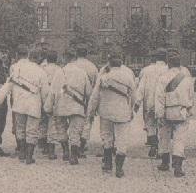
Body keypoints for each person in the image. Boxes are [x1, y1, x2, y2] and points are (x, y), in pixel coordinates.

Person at [0, 46, 50, 164]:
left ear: (29, 56)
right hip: (34, 104)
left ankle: (22, 153)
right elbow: (45, 92)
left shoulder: (17, 68)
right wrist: (47, 106)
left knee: (20, 129)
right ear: (39, 58)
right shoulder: (41, 71)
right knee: (32, 130)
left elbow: (8, 85)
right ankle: (29, 156)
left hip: (19, 104)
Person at [87, 49, 137, 177]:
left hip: (105, 112)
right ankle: (119, 168)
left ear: (109, 63)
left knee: (107, 138)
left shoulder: (103, 77)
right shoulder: (128, 76)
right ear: (121, 63)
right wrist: (131, 110)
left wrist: (91, 111)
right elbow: (133, 96)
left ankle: (108, 164)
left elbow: (95, 97)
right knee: (122, 139)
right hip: (122, 112)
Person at [153, 48, 195, 177]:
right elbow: (191, 95)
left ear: (168, 63)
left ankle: (165, 162)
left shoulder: (163, 78)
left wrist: (159, 115)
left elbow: (159, 98)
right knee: (179, 139)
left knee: (164, 137)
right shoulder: (187, 77)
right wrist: (189, 108)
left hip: (167, 111)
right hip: (181, 110)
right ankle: (178, 167)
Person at [47, 52, 92, 164]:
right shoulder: (82, 72)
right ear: (75, 58)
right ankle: (73, 155)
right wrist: (89, 107)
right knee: (75, 131)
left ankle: (65, 151)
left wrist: (48, 107)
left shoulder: (59, 72)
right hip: (77, 106)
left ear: (64, 58)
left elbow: (53, 91)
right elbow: (89, 92)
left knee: (61, 128)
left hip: (61, 105)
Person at [134, 48, 168, 158]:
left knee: (151, 124)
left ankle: (154, 144)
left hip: (150, 103)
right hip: (164, 103)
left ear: (155, 58)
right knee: (163, 126)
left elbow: (141, 87)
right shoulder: (169, 70)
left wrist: (137, 102)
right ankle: (162, 150)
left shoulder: (147, 70)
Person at [69, 45, 99, 156]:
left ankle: (74, 143)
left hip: (72, 96)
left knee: (73, 122)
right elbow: (96, 85)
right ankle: (81, 145)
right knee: (87, 121)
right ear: (86, 54)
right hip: (87, 98)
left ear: (76, 54)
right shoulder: (92, 67)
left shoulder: (72, 65)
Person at [37, 49, 63, 159]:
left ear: (47, 59)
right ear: (56, 59)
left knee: (42, 122)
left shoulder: (41, 69)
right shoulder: (59, 70)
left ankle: (43, 146)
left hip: (42, 97)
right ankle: (51, 151)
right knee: (52, 123)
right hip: (54, 98)